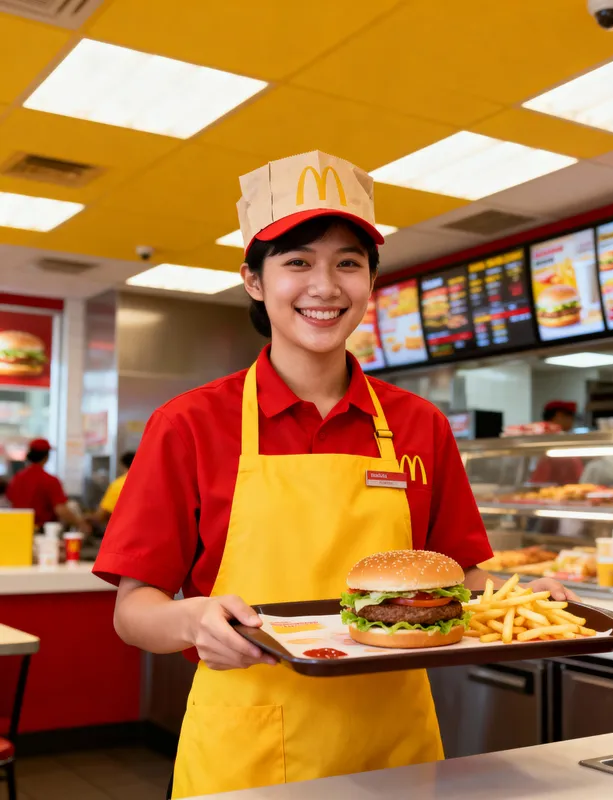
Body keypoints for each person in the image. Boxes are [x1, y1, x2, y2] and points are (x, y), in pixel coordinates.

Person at [93, 151, 575, 799]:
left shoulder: (420, 425)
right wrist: (193, 621)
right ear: (255, 282)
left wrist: (531, 597)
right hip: (249, 744)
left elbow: (463, 576)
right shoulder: (189, 424)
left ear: (370, 283)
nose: (325, 286)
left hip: (395, 743)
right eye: (297, 262)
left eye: (348, 262)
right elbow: (134, 611)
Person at [7, 439, 89, 533]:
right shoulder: (50, 480)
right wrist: (80, 523)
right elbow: (61, 510)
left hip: (17, 531)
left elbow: (10, 501)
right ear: (46, 457)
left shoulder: (16, 478)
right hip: (42, 533)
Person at [529, 401, 583, 486]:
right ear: (559, 415)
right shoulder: (550, 438)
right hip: (548, 489)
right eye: (570, 417)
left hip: (559, 490)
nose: (572, 422)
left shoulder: (564, 437)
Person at [88, 451, 135, 526]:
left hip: (122, 529)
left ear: (123, 466)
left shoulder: (119, 484)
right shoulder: (147, 482)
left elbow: (101, 515)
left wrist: (85, 518)